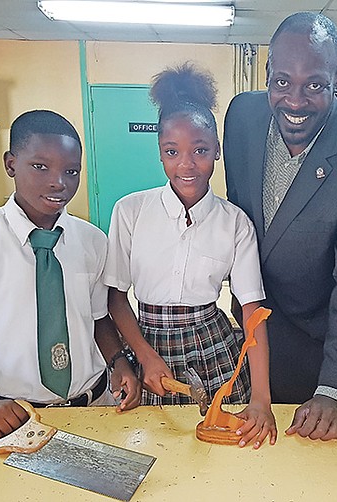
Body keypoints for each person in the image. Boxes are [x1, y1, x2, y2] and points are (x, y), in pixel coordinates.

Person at [223, 12, 337, 441]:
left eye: (314, 85)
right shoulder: (242, 116)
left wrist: (334, 390)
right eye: (282, 82)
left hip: (315, 347)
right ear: (267, 73)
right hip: (246, 333)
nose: (296, 100)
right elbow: (240, 221)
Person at [0, 110, 141, 440]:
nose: (59, 182)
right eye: (41, 167)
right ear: (11, 164)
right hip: (12, 418)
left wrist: (118, 360)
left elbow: (97, 318)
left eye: (71, 171)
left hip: (96, 407)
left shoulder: (92, 240)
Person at [104, 63, 276, 449]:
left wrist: (263, 398)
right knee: (153, 444)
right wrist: (144, 357)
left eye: (200, 150)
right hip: (144, 341)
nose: (187, 163)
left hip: (211, 347)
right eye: (172, 151)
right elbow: (115, 297)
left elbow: (252, 312)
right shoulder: (130, 211)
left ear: (216, 150)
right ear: (160, 155)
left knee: (218, 445)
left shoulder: (235, 222)